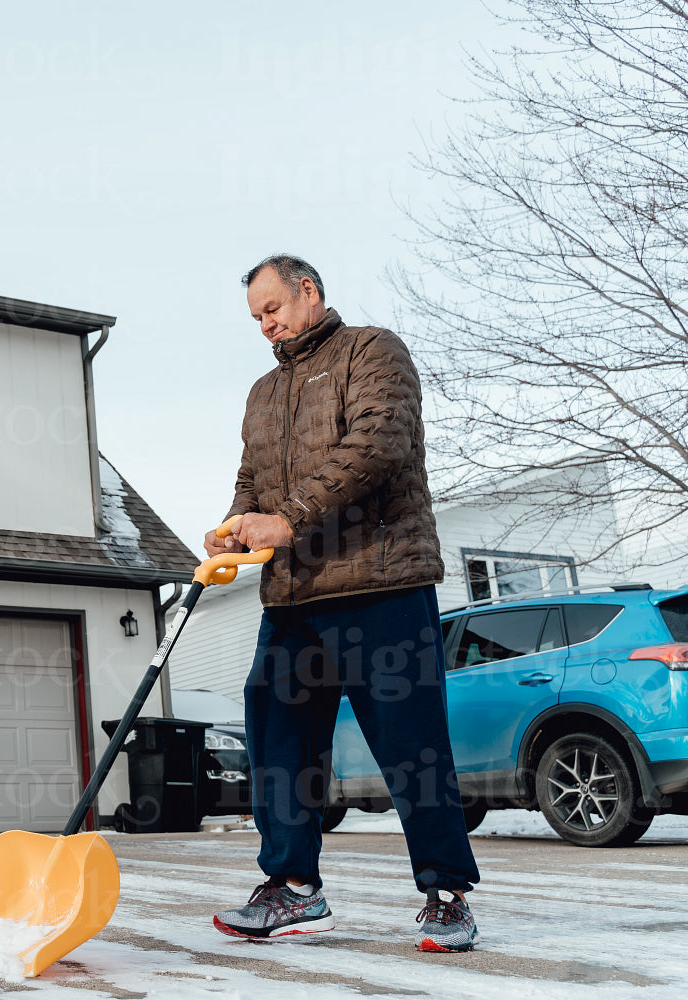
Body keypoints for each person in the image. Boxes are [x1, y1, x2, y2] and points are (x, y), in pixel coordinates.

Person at [205, 255, 481, 952]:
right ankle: (293, 888)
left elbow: (377, 445)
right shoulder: (263, 391)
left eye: (272, 309)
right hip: (294, 594)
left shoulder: (372, 350)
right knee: (278, 740)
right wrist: (237, 522)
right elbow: (252, 476)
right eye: (255, 318)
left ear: (308, 290)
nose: (265, 325)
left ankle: (446, 896)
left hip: (380, 583)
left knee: (410, 746)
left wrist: (289, 517)